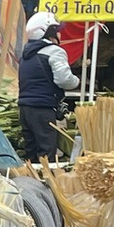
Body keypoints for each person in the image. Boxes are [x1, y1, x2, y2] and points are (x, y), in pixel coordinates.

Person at [17, 11, 79, 161]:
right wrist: (76, 80)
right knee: (46, 151)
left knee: (31, 151)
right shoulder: (54, 51)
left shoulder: (26, 54)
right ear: (48, 32)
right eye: (57, 31)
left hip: (25, 109)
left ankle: (29, 182)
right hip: (43, 109)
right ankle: (46, 182)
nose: (60, 35)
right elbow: (64, 80)